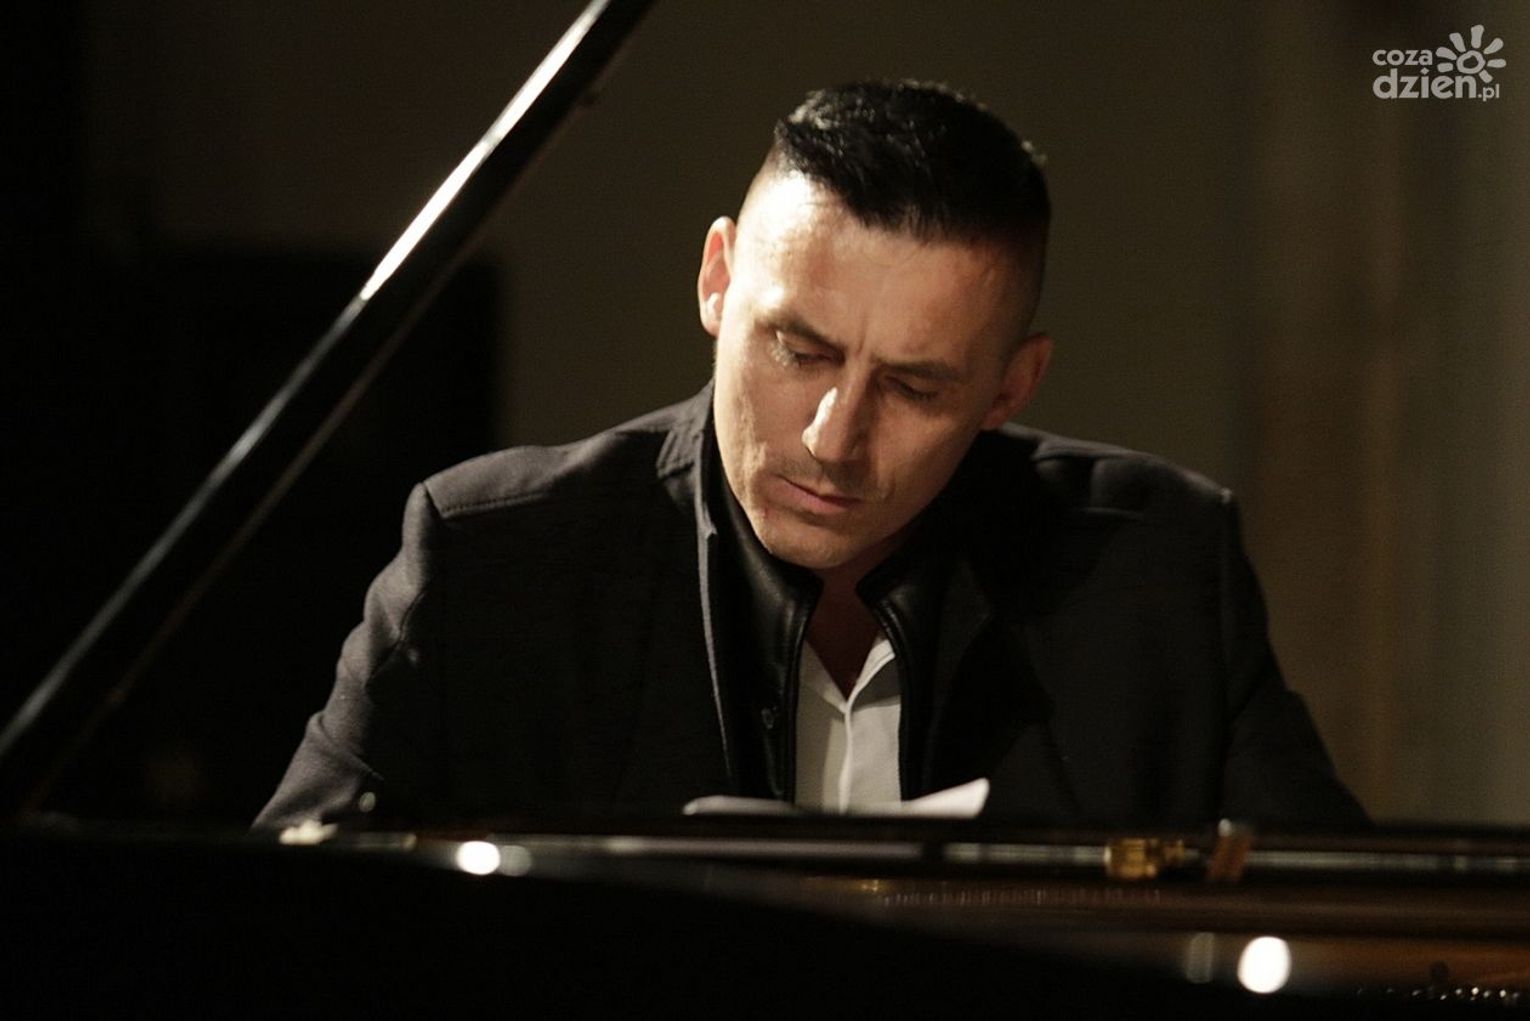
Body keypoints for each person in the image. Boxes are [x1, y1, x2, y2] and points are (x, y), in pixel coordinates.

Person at [257, 81, 1365, 830]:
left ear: (1010, 387)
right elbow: (278, 933)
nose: (835, 438)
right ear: (716, 280)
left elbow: (1347, 934)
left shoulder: (1159, 570)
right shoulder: (490, 558)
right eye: (798, 349)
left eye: (916, 387)